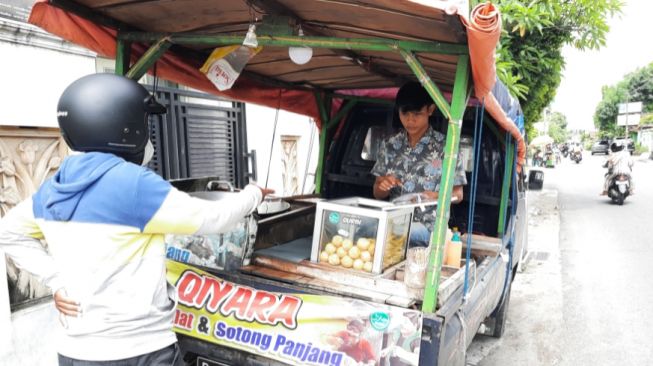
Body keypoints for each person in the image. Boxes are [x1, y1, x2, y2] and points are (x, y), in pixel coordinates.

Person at [0, 73, 271, 365]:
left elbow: (8, 232)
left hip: (74, 351)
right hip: (140, 350)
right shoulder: (134, 185)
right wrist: (253, 194)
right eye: (143, 125)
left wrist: (56, 281)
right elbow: (213, 218)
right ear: (123, 127)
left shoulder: (54, 188)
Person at [371, 82, 466, 247]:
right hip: (394, 220)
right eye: (404, 113)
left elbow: (458, 195)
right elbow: (377, 194)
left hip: (428, 228)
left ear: (430, 110)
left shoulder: (446, 147)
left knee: (386, 231)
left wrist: (435, 195)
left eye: (416, 114)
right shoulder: (390, 145)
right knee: (366, 225)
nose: (410, 120)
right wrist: (383, 184)